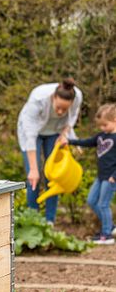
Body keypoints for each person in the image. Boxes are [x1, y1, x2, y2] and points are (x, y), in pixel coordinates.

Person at [17, 78, 83, 224]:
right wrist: (33, 169)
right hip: (32, 133)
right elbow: (30, 137)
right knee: (34, 177)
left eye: (64, 109)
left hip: (55, 132)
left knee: (54, 177)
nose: (60, 112)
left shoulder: (77, 96)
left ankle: (49, 222)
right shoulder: (38, 98)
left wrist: (65, 134)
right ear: (53, 97)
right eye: (58, 107)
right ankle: (33, 220)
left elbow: (72, 118)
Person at [58, 104, 116, 245]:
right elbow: (87, 142)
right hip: (100, 176)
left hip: (111, 178)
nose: (101, 128)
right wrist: (69, 142)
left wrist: (114, 176)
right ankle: (110, 226)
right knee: (91, 201)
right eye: (100, 125)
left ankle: (106, 235)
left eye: (105, 125)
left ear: (115, 120)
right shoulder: (101, 136)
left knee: (103, 204)